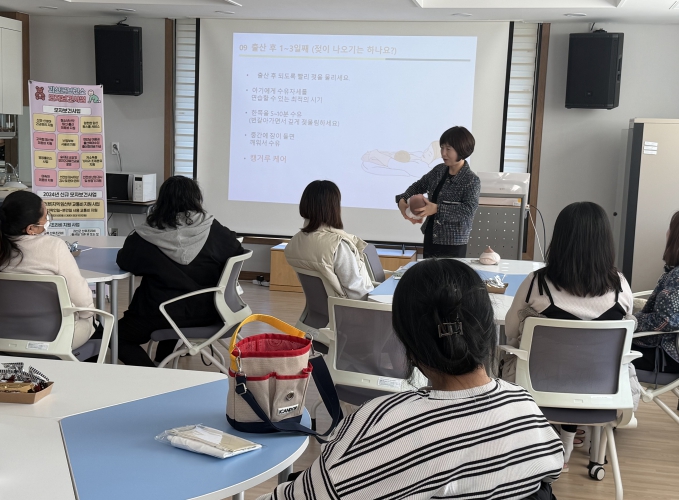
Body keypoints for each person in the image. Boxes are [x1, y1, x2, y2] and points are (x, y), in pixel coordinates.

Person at [257, 259, 563, 500]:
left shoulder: (381, 423)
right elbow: (549, 475)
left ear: (407, 342)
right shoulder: (525, 407)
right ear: (487, 330)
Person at [503, 201, 639, 472]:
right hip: (605, 390)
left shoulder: (536, 284)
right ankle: (589, 447)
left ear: (560, 240)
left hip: (539, 387)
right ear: (605, 243)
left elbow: (511, 331)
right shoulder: (620, 287)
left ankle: (551, 440)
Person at [116, 176, 244, 367]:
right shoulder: (214, 229)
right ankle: (161, 360)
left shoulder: (146, 236)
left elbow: (125, 261)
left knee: (114, 336)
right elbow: (237, 250)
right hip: (211, 311)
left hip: (160, 314)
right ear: (196, 199)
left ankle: (153, 376)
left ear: (162, 201)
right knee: (177, 306)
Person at [0, 190, 95, 348]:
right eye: (45, 216)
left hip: (5, 336)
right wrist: (88, 314)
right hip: (53, 338)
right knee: (94, 321)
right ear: (31, 228)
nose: (48, 219)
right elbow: (82, 300)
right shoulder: (54, 247)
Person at [395, 126, 480, 258]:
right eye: (442, 148)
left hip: (453, 244)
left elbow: (468, 211)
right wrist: (402, 200)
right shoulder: (438, 170)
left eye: (448, 149)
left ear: (462, 150)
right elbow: (418, 186)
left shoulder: (471, 180)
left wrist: (437, 209)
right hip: (431, 237)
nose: (443, 153)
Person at [285, 180, 374, 300]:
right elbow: (357, 293)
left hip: (318, 309)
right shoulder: (338, 245)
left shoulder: (294, 242)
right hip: (349, 308)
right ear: (333, 207)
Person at [632, 211, 679, 374]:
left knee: (603, 350)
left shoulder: (677, 276)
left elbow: (665, 320)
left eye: (670, 228)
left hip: (663, 355)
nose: (667, 232)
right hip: (666, 352)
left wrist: (632, 321)